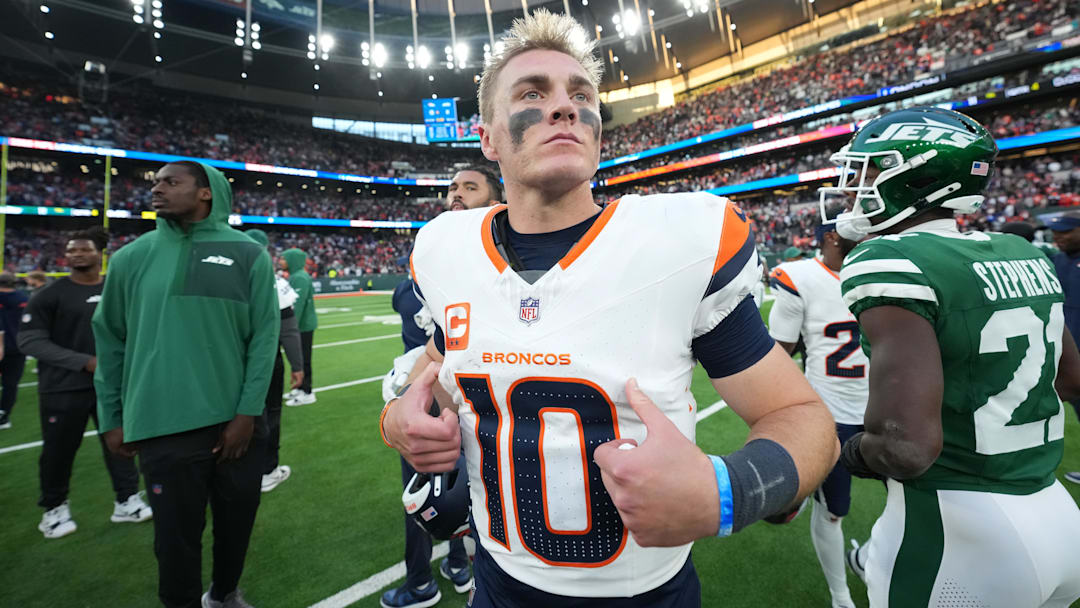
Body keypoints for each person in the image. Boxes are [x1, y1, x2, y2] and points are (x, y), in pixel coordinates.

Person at [381, 10, 838, 607]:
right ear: (488, 136)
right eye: (532, 92)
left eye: (580, 95)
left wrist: (726, 492)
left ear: (597, 130)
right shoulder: (447, 250)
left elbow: (804, 419)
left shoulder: (675, 244)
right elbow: (436, 372)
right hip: (496, 586)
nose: (565, 106)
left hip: (644, 595)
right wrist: (399, 422)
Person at [824, 106, 1080, 607]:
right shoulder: (1023, 251)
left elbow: (906, 450)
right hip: (1058, 514)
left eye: (871, 172)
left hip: (959, 533)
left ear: (917, 178)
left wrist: (845, 453)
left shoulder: (889, 259)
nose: (857, 188)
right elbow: (1071, 381)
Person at [94, 160, 279, 608]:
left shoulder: (247, 253)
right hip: (162, 426)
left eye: (171, 182)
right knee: (174, 538)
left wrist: (246, 413)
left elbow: (264, 339)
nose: (157, 189)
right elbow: (110, 341)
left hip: (235, 425)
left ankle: (223, 593)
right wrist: (112, 416)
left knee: (236, 524)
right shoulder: (129, 258)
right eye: (154, 182)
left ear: (205, 193)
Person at [380, 166, 502, 608]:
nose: (456, 193)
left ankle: (426, 581)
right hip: (431, 403)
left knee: (460, 495)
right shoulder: (425, 265)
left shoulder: (500, 267)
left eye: (470, 187)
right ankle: (444, 569)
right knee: (434, 493)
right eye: (452, 187)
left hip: (480, 406)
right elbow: (432, 347)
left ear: (495, 201)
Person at [19, 227, 152, 539]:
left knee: (121, 443)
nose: (76, 254)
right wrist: (85, 362)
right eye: (71, 250)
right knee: (59, 450)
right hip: (64, 388)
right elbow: (30, 341)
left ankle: (127, 499)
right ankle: (54, 509)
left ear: (99, 253)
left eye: (83, 249)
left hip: (112, 387)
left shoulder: (115, 289)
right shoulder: (50, 294)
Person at [767, 213, 868, 608]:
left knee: (916, 501)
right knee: (832, 513)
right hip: (833, 416)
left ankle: (869, 557)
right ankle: (840, 595)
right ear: (830, 237)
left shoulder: (891, 268)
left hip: (888, 410)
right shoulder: (801, 278)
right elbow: (779, 354)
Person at [244, 229, 305, 494]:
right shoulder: (275, 282)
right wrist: (298, 365)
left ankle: (242, 468)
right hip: (265, 361)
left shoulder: (222, 277)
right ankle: (267, 470)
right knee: (269, 414)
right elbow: (289, 330)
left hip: (230, 363)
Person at [281, 248, 317, 407]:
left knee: (304, 359)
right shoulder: (296, 276)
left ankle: (307, 392)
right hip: (300, 326)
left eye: (284, 258)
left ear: (292, 260)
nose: (281, 261)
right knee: (299, 358)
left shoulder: (300, 278)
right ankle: (299, 387)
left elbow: (297, 305)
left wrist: (291, 327)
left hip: (302, 326)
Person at [0, 271, 29, 429]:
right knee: (10, 383)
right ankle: (3, 415)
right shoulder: (24, 298)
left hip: (5, 345)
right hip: (18, 347)